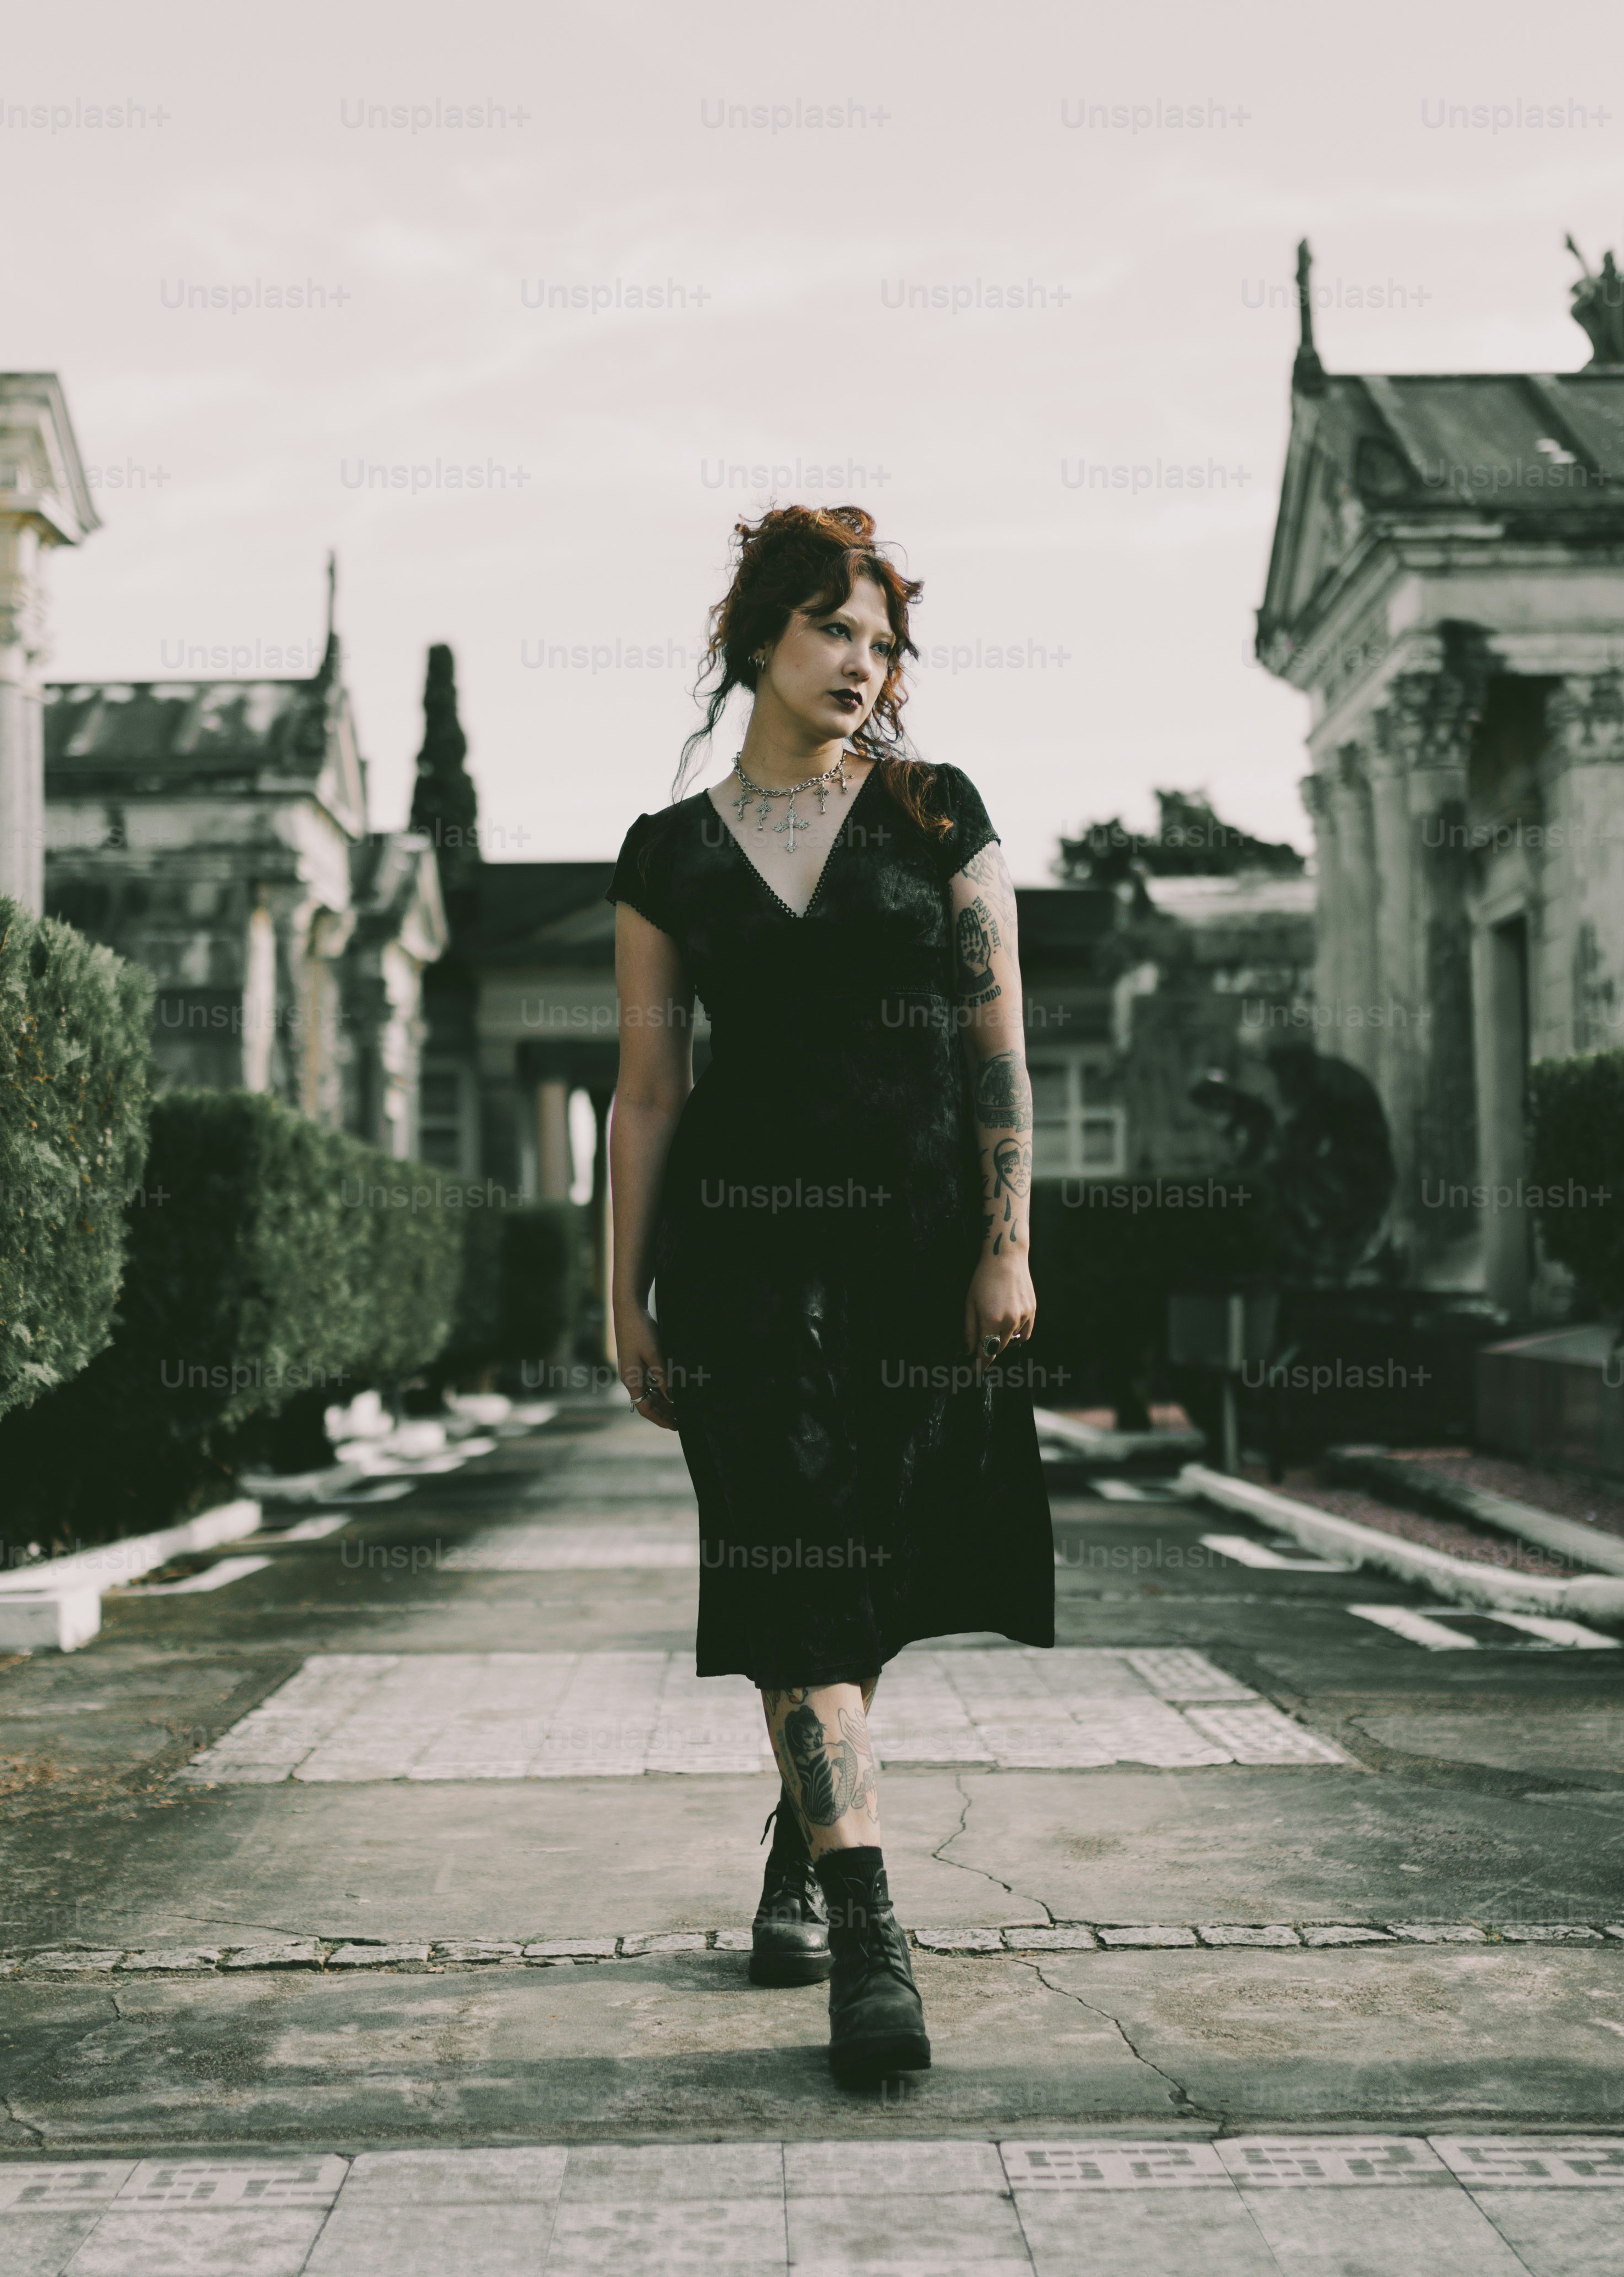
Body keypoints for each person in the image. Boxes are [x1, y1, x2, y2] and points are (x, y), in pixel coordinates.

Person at [603, 504, 1056, 2085]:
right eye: (832, 632)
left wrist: (1006, 1240)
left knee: (872, 1568)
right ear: (758, 642)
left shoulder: (939, 814)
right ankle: (871, 1927)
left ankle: (800, 1832)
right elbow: (647, 1092)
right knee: (792, 1554)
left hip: (917, 1245)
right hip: (735, 1258)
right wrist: (623, 1299)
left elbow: (997, 1043)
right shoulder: (666, 855)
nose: (862, 662)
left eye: (882, 640)